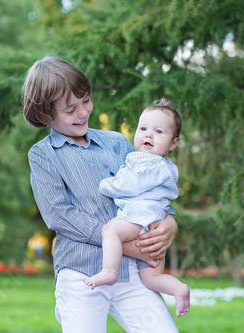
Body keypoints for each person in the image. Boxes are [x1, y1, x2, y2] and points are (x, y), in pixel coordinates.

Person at [23, 56, 180, 333]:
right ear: (45, 115)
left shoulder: (117, 143)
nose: (83, 112)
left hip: (131, 272)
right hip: (81, 272)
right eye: (70, 109)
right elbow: (60, 215)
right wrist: (125, 244)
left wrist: (169, 221)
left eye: (86, 100)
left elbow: (150, 186)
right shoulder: (43, 155)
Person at [83, 98, 190, 318]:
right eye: (143, 128)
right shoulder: (156, 164)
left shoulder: (153, 164)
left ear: (173, 143)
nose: (148, 134)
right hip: (153, 224)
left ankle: (109, 271)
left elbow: (130, 186)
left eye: (159, 131)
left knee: (110, 230)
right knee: (151, 279)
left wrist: (105, 185)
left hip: (139, 217)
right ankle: (178, 289)